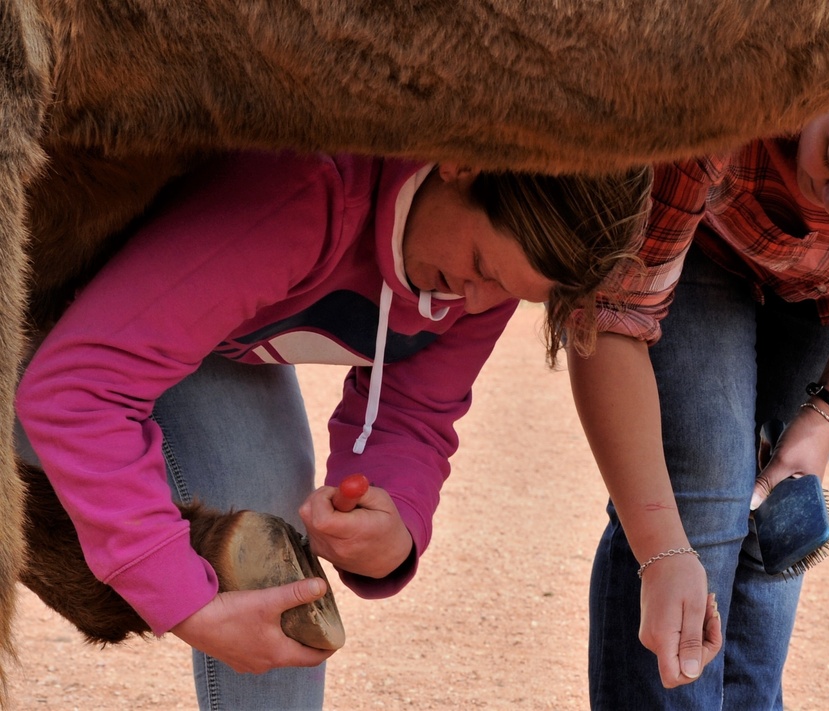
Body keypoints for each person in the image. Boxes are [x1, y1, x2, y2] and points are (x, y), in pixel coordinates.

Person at [14, 150, 653, 710]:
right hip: (40, 309)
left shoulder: (481, 282)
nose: (479, 303)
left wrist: (393, 525)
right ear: (461, 164)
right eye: (483, 266)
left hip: (194, 332)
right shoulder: (308, 196)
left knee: (270, 543)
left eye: (510, 293)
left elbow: (416, 413)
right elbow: (74, 393)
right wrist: (186, 604)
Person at [571, 23, 829, 709]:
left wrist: (826, 416)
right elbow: (610, 315)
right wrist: (659, 548)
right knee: (699, 499)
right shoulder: (721, 93)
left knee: (778, 529)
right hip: (701, 246)